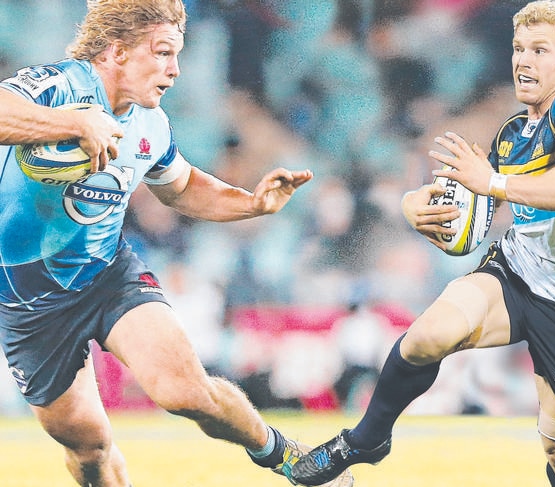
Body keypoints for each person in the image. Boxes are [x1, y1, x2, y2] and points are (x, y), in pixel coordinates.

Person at [0, 1, 354, 487]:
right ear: (117, 51)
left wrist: (251, 204)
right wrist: (74, 123)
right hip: (26, 301)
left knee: (185, 391)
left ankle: (290, 458)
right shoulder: (59, 86)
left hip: (106, 276)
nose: (175, 69)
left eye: (178, 55)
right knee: (87, 445)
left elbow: (182, 187)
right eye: (163, 52)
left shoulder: (151, 123)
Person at [292, 1, 555, 486]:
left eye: (539, 50)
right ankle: (366, 439)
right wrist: (415, 208)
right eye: (518, 49)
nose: (523, 61)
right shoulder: (514, 134)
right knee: (429, 335)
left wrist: (491, 183)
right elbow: (467, 227)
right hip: (517, 273)